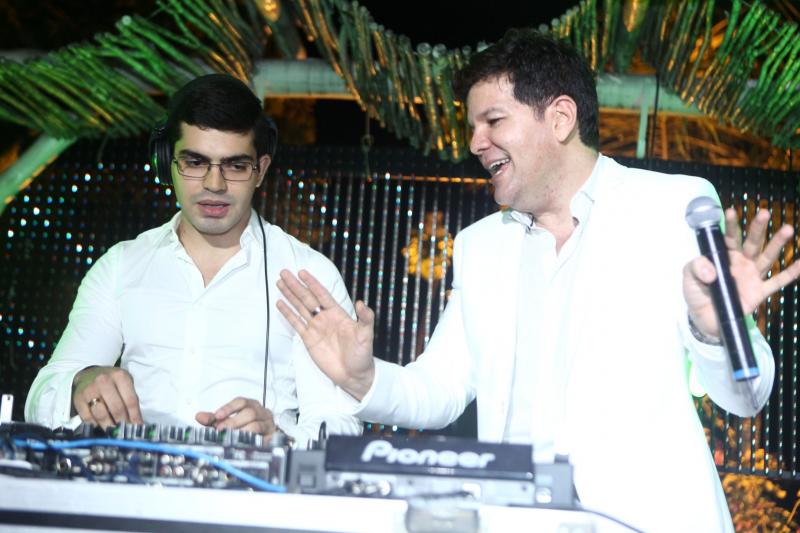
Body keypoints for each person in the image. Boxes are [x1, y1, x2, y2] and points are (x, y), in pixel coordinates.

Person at [275, 29, 800, 532]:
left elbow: (747, 398)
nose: (475, 143)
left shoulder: (671, 206)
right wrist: (362, 378)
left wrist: (714, 331)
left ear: (560, 118)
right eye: (473, 126)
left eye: (493, 121)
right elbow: (440, 389)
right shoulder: (480, 246)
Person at [25, 74, 361, 447]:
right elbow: (42, 396)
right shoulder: (120, 265)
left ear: (261, 170)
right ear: (166, 163)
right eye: (196, 162)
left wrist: (278, 438)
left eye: (235, 166)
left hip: (255, 485)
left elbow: (341, 425)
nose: (214, 184)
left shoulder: (310, 275)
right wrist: (80, 383)